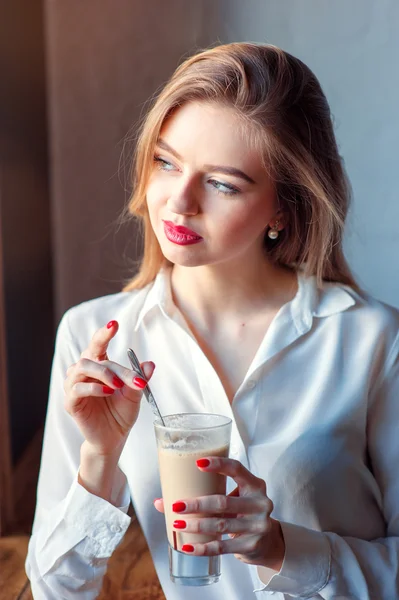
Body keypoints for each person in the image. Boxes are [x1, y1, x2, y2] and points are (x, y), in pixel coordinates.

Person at [25, 42, 399, 599]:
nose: (179, 201)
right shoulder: (93, 337)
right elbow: (57, 590)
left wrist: (279, 547)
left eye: (222, 183)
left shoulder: (373, 340)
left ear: (284, 206)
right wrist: (100, 457)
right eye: (166, 161)